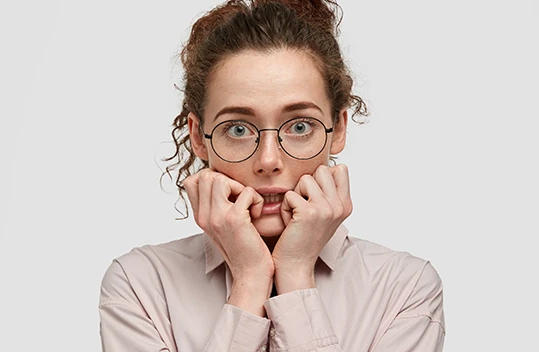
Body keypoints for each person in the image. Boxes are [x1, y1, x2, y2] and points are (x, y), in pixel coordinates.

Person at [98, 0, 446, 351]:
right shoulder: (140, 286)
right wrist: (249, 282)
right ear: (197, 137)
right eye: (237, 129)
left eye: (299, 126)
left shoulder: (405, 288)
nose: (268, 160)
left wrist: (294, 274)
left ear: (338, 129)